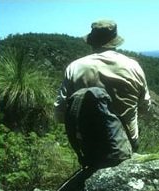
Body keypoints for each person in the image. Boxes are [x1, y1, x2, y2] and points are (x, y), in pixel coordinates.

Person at [54, 19, 151, 152]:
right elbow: (145, 108)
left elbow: (60, 113)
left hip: (89, 146)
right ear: (115, 41)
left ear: (91, 41)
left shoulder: (75, 67)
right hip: (126, 144)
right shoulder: (134, 66)